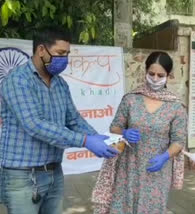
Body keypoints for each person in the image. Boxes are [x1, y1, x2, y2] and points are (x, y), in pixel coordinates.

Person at [0, 26, 118, 214]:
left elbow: (73, 119)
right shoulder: (17, 80)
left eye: (67, 54)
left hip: (54, 173)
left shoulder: (60, 83)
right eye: (60, 53)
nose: (64, 59)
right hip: (22, 176)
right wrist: (85, 141)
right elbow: (34, 124)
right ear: (41, 50)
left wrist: (100, 138)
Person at [92, 51, 187, 214]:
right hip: (128, 168)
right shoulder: (131, 99)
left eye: (160, 75)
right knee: (124, 207)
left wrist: (165, 157)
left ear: (168, 76)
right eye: (151, 74)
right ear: (145, 71)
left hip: (157, 170)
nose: (155, 79)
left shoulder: (175, 106)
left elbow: (179, 141)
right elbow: (114, 127)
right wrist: (124, 132)